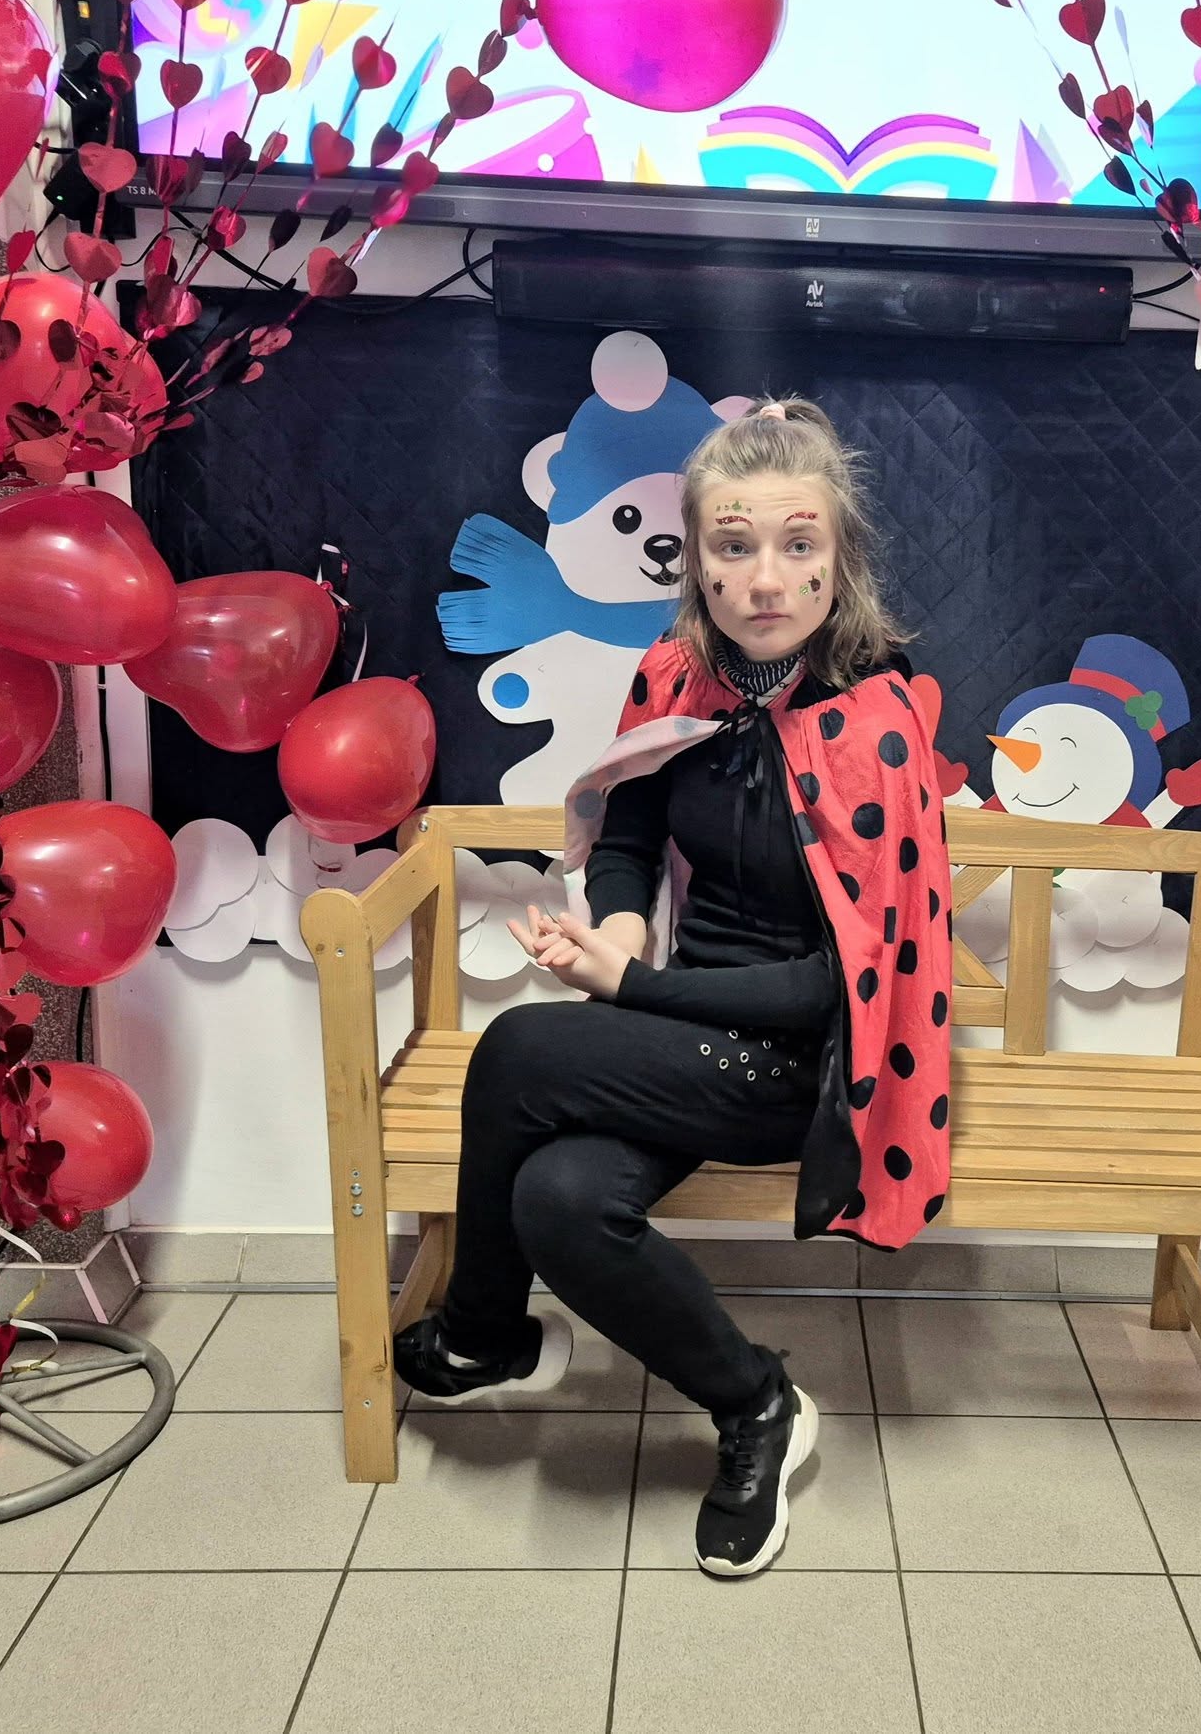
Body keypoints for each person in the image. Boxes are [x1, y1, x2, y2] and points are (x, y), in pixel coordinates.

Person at [394, 397, 956, 1578]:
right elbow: (630, 833)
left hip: (800, 1068)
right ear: (692, 558)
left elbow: (841, 989)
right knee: (556, 1198)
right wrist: (612, 929)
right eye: (732, 545)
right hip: (681, 1031)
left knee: (515, 1053)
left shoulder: (878, 723)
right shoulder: (676, 677)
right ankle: (758, 1404)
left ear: (839, 556)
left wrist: (633, 988)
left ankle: (487, 1334)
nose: (765, 578)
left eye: (797, 544)